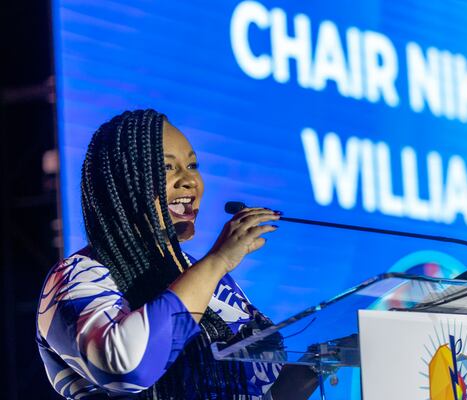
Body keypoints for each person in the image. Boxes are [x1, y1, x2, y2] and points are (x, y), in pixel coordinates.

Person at [36, 109, 318, 399]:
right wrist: (218, 261)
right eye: (168, 168)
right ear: (122, 182)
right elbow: (128, 367)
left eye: (192, 165)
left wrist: (321, 365)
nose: (190, 181)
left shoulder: (198, 273)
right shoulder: (78, 277)